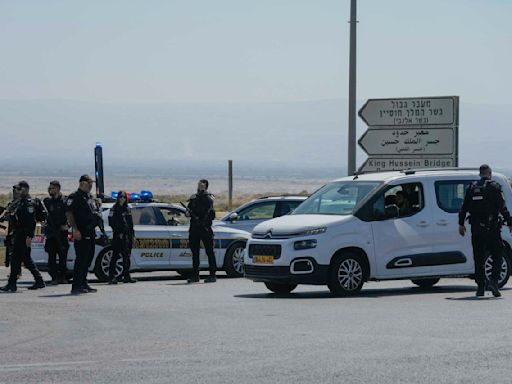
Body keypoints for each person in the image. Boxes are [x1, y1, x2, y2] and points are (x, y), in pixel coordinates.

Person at [459, 164, 512, 297]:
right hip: (492, 229)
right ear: (489, 173)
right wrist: (510, 223)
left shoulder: (471, 188)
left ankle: (480, 287)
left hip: (476, 229)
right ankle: (493, 282)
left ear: (480, 174)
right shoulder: (494, 187)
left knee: (479, 258)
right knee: (497, 254)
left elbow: (464, 207)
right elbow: (502, 208)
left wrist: (461, 224)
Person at [0, 181, 46, 292]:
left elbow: (31, 221)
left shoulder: (29, 203)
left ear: (26, 189)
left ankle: (12, 284)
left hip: (24, 234)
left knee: (17, 258)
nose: (17, 191)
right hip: (19, 232)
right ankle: (38, 281)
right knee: (24, 259)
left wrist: (30, 236)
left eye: (19, 189)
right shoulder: (20, 202)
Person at [65, 175, 102, 294]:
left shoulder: (89, 197)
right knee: (81, 258)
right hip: (80, 231)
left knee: (88, 258)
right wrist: (75, 229)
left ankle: (83, 282)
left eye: (92, 183)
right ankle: (76, 285)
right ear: (82, 183)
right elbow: (69, 214)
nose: (91, 185)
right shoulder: (75, 197)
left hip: (90, 231)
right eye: (89, 183)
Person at [186, 179, 217, 283]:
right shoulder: (194, 198)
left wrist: (204, 221)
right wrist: (189, 213)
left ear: (206, 186)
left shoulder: (209, 199)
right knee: (195, 253)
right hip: (194, 228)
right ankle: (195, 275)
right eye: (198, 185)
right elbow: (188, 211)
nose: (199, 187)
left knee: (209, 252)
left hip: (205, 229)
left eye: (202, 185)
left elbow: (212, 214)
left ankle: (212, 275)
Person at [43, 180, 70, 285]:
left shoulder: (64, 201)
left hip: (61, 234)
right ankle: (54, 277)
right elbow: (42, 214)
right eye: (49, 188)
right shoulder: (48, 202)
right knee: (51, 258)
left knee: (63, 257)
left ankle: (63, 277)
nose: (50, 190)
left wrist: (67, 225)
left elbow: (70, 214)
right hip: (51, 234)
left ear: (58, 189)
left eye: (52, 188)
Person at [108, 191, 136, 284]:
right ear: (118, 198)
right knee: (115, 256)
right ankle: (112, 277)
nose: (122, 199)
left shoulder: (127, 208)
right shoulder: (114, 209)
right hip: (118, 236)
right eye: (121, 197)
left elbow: (130, 223)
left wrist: (132, 235)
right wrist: (118, 232)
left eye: (124, 197)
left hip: (127, 236)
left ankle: (126, 276)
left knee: (127, 256)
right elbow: (111, 222)